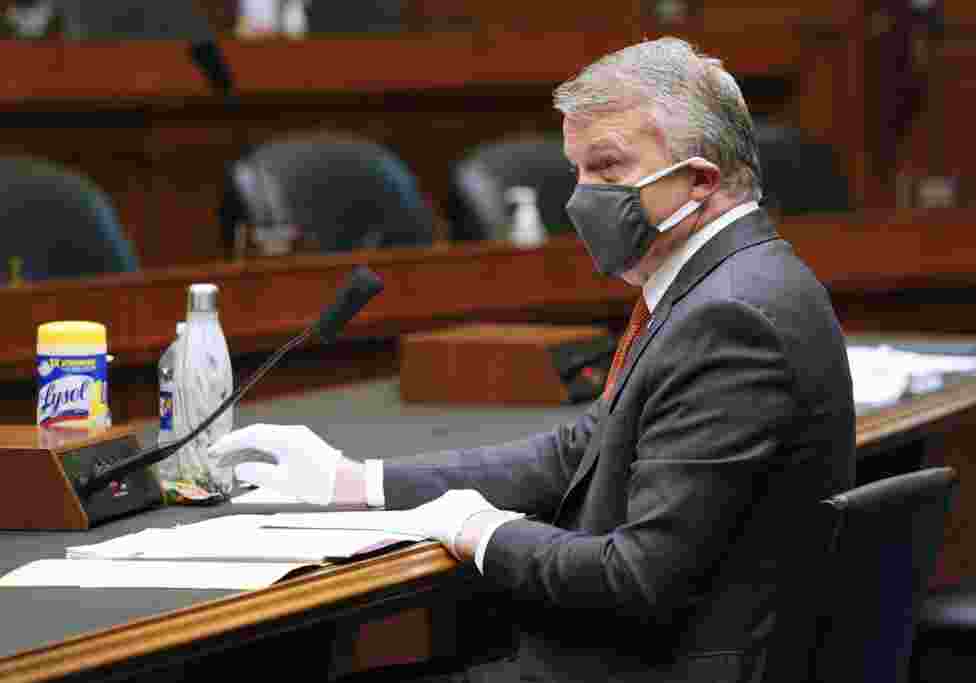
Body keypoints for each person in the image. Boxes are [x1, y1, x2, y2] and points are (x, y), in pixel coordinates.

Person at [210, 37, 856, 683]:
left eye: (607, 169)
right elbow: (581, 451)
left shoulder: (729, 314)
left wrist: (478, 529)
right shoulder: (738, 278)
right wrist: (355, 482)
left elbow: (637, 576)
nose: (581, 198)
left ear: (700, 181)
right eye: (577, 170)